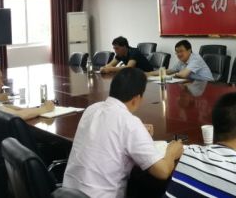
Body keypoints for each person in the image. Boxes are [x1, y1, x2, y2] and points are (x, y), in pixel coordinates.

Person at [63, 68, 183, 198]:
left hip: (66, 194)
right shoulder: (130, 123)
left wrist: (137, 132)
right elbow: (162, 172)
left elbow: (108, 131)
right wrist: (172, 152)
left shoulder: (91, 109)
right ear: (137, 98)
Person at [147, 39, 212, 81]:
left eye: (181, 51)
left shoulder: (196, 59)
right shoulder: (181, 61)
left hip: (209, 86)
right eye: (177, 52)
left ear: (189, 50)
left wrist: (174, 74)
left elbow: (183, 74)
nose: (179, 54)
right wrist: (149, 73)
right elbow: (170, 71)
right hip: (194, 84)